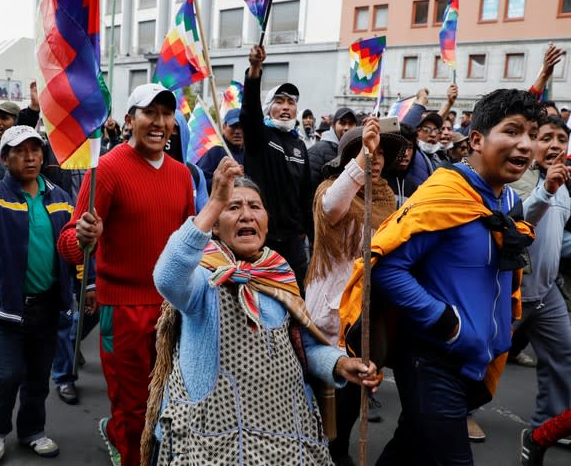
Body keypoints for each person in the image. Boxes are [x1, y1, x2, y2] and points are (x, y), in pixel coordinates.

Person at [145, 158, 380, 465]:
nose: (246, 215)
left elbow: (303, 348)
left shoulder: (279, 272)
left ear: (267, 220)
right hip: (220, 443)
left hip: (287, 437)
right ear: (215, 223)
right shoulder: (202, 279)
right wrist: (215, 199)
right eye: (233, 207)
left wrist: (340, 364)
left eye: (255, 207)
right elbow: (166, 276)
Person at [364, 89, 542, 464]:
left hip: (474, 360)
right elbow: (385, 268)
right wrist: (447, 322)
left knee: (408, 448)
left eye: (532, 134)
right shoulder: (445, 193)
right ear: (476, 140)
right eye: (512, 131)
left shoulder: (509, 201)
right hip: (432, 359)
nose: (525, 145)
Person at [57, 83, 194, 466]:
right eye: (150, 113)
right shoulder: (109, 170)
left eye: (167, 114)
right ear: (130, 120)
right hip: (123, 310)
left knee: (168, 398)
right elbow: (69, 241)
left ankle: (137, 443)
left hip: (172, 309)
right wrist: (83, 237)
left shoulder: (183, 175)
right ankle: (127, 448)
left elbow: (188, 243)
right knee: (132, 404)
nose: (159, 122)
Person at [0, 125, 82, 461]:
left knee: (38, 377)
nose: (30, 157)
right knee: (5, 376)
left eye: (35, 150)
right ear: (5, 159)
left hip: (47, 306)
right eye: (20, 151)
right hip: (5, 308)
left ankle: (32, 431)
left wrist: (87, 263)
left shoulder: (60, 197)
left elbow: (73, 247)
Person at [304, 120, 403, 465]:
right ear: (349, 157)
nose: (375, 160)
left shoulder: (389, 200)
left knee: (353, 396)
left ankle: (338, 448)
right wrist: (362, 157)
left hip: (367, 315)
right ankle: (321, 451)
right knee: (323, 397)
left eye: (380, 155)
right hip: (330, 317)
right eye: (368, 154)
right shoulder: (331, 192)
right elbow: (334, 205)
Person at [513, 115, 571, 437]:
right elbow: (518, 224)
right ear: (532, 143)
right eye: (546, 138)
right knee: (484, 356)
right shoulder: (516, 178)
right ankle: (461, 413)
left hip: (546, 293)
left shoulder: (563, 186)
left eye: (561, 140)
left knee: (563, 354)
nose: (554, 146)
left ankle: (550, 426)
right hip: (510, 289)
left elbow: (558, 240)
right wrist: (545, 189)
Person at [240, 44, 314, 288]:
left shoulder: (300, 146)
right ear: (268, 107)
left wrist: (305, 229)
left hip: (293, 241)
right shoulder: (259, 136)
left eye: (291, 103)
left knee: (299, 298)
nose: (286, 107)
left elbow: (306, 193)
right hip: (263, 237)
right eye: (280, 101)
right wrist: (255, 69)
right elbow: (249, 111)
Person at [196, 104, 245, 192]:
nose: (237, 131)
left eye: (241, 126)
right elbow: (200, 182)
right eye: (233, 126)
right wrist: (223, 180)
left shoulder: (251, 153)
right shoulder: (215, 152)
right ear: (224, 127)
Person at [309, 107, 357, 186]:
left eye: (351, 124)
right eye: (342, 123)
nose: (347, 128)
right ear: (334, 126)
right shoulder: (317, 151)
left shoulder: (358, 151)